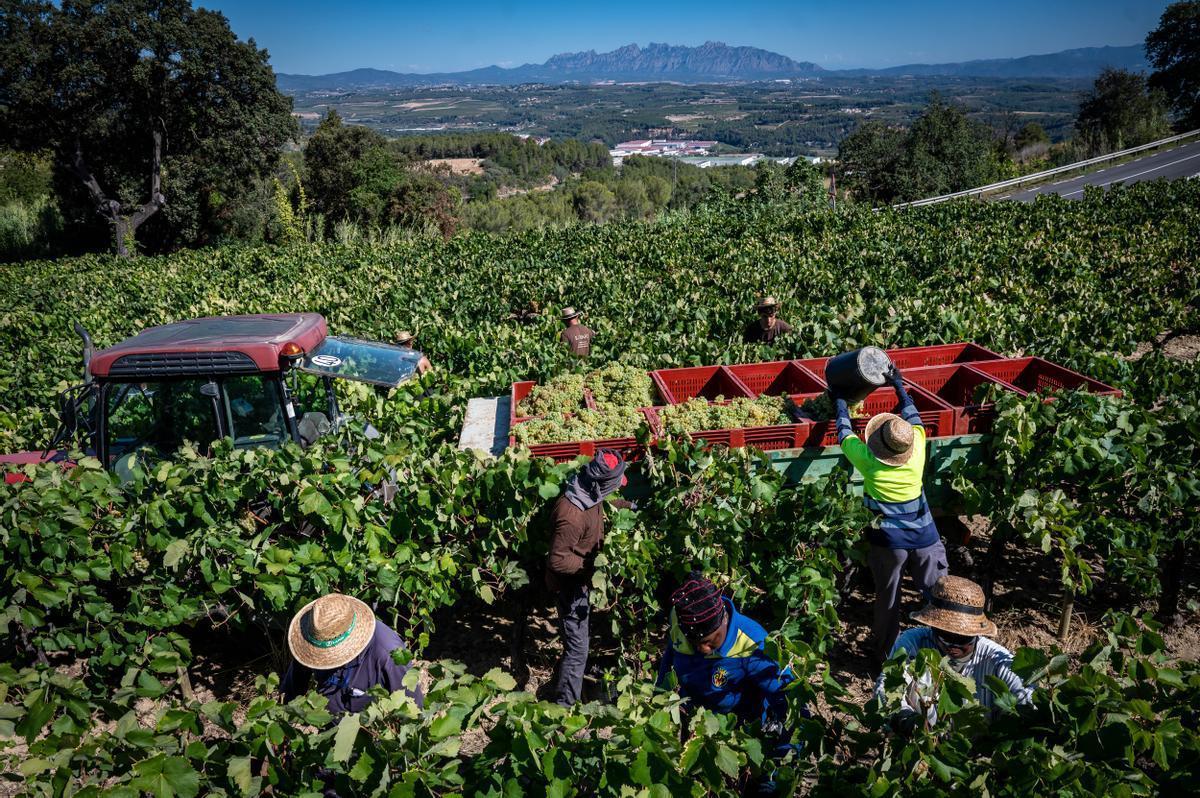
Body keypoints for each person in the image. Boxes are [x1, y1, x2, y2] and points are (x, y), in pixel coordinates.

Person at [835, 363, 948, 664]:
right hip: (925, 538)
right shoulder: (919, 446)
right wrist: (899, 384)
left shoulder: (870, 462)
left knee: (888, 599)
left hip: (889, 543)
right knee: (938, 593)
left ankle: (885, 657)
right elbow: (912, 413)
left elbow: (845, 436)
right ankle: (947, 646)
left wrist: (840, 404)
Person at [874, 575, 1033, 729]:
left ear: (976, 634)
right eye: (944, 634)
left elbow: (1027, 704)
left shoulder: (998, 661)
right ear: (933, 627)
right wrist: (907, 720)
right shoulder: (914, 642)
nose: (952, 645)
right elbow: (886, 687)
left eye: (962, 638)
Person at [656, 572, 795, 727]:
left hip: (736, 727)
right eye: (694, 642)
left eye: (709, 641)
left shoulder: (753, 643)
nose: (702, 649)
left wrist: (788, 748)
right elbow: (670, 655)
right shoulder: (679, 619)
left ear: (725, 619)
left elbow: (787, 698)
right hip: (691, 718)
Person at [545, 449, 627, 705]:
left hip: (581, 579)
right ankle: (564, 707)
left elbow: (604, 503)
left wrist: (631, 507)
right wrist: (593, 568)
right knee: (578, 649)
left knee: (581, 643)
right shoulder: (572, 515)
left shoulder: (588, 490)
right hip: (570, 586)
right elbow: (558, 560)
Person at [280, 592, 423, 714]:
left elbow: (411, 710)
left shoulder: (388, 654)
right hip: (328, 724)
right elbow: (293, 687)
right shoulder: (314, 634)